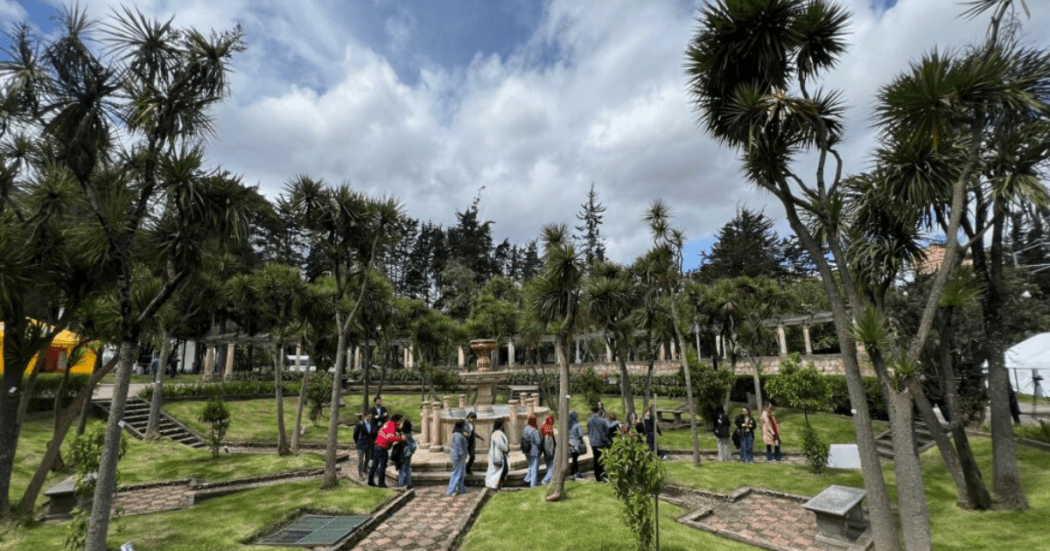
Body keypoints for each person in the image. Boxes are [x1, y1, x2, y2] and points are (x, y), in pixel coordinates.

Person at [369, 413, 403, 487]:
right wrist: (400, 438)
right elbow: (389, 438)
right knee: (383, 466)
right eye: (400, 420)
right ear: (397, 421)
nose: (401, 422)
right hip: (382, 448)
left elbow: (381, 432)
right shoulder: (392, 426)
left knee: (374, 465)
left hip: (377, 445)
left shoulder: (388, 423)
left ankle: (370, 481)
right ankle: (381, 484)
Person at [587, 405, 612, 482]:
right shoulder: (602, 420)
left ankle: (597, 476)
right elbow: (607, 430)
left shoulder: (589, 421)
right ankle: (603, 475)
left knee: (595, 459)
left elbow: (589, 430)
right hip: (601, 442)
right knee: (602, 459)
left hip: (593, 443)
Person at [485, 419, 510, 490]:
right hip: (498, 456)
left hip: (497, 455)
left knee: (497, 471)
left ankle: (496, 485)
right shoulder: (497, 434)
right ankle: (496, 486)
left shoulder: (495, 433)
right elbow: (501, 445)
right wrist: (506, 449)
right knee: (499, 471)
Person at [446, 420, 469, 497]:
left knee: (462, 474)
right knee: (456, 473)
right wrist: (463, 456)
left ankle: (461, 488)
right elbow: (459, 447)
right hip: (458, 458)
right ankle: (451, 490)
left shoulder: (458, 434)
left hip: (459, 457)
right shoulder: (458, 435)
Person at [353, 411, 375, 479]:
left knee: (368, 458)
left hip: (369, 444)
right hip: (361, 444)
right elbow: (355, 435)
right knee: (360, 460)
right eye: (369, 416)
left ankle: (365, 470)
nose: (370, 417)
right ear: (365, 416)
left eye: (371, 416)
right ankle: (360, 474)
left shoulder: (371, 423)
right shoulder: (360, 424)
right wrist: (357, 442)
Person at [522, 414, 541, 487]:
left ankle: (527, 479)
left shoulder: (526, 429)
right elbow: (538, 442)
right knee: (534, 467)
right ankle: (533, 483)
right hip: (534, 451)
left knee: (530, 465)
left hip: (527, 450)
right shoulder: (535, 431)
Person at [397, 419, 416, 489]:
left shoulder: (403, 435)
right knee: (407, 468)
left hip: (404, 453)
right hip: (409, 453)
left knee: (402, 468)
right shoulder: (409, 434)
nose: (400, 424)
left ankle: (401, 483)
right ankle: (409, 483)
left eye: (402, 423)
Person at [567, 411, 586, 480]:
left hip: (570, 444)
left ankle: (576, 472)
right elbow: (581, 435)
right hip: (576, 444)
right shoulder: (578, 425)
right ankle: (574, 473)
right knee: (575, 459)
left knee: (574, 458)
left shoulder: (568, 425)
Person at [540, 414, 556, 485]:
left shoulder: (544, 427)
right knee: (552, 468)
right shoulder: (548, 430)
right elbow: (549, 443)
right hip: (549, 452)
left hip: (546, 451)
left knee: (548, 466)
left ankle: (548, 481)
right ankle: (545, 481)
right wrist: (550, 453)